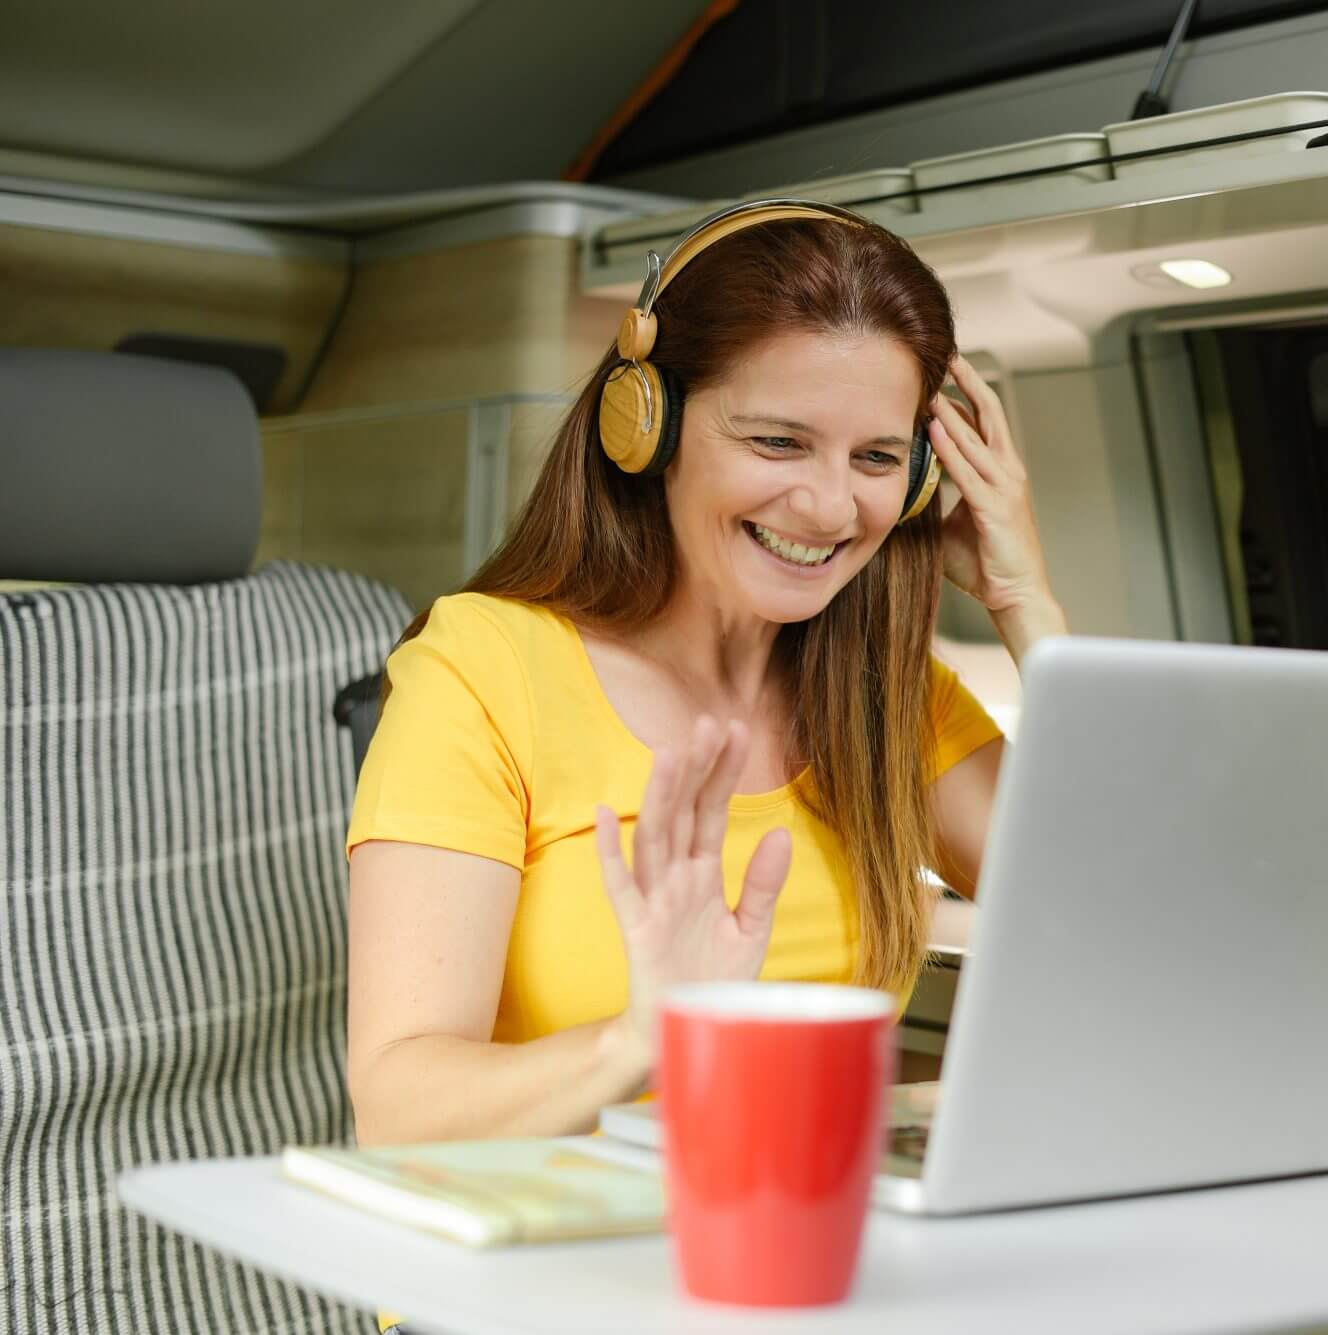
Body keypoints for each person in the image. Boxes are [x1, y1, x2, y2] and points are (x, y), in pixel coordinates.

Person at [342, 202, 1067, 1157]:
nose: (828, 504)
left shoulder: (890, 699)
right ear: (647, 428)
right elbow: (399, 1108)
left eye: (878, 458)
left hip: (794, 1252)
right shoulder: (481, 670)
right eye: (777, 441)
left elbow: (1139, 924)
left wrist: (1027, 604)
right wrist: (642, 1039)